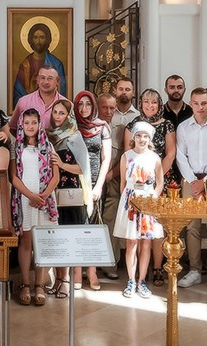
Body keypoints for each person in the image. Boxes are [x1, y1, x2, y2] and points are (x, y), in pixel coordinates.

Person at [126, 89, 178, 285]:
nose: (149, 105)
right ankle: (139, 274)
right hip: (137, 184)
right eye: (146, 102)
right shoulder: (133, 125)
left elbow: (170, 153)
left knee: (156, 229)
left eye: (154, 102)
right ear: (140, 103)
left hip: (160, 182)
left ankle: (157, 268)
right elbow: (127, 154)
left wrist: (157, 179)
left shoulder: (167, 124)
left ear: (160, 104)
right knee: (137, 229)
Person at [175, 88, 207, 288]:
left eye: (204, 103)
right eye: (196, 103)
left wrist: (206, 181)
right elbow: (180, 155)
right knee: (192, 227)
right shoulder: (184, 127)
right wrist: (193, 182)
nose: (200, 107)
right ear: (191, 103)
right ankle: (195, 270)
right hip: (190, 181)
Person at [10, 109, 59, 306]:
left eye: (34, 122)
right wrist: (30, 195)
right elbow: (13, 177)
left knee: (42, 241)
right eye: (27, 123)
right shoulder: (16, 147)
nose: (30, 126)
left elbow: (56, 176)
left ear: (40, 124)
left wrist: (44, 196)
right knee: (26, 241)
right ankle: (25, 283)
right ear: (21, 125)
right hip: (25, 197)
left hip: (45, 198)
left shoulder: (48, 146)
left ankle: (39, 284)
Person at [113, 122, 164, 299]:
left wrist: (153, 200)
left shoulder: (155, 158)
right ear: (133, 137)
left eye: (145, 136)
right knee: (132, 242)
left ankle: (142, 280)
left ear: (149, 139)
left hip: (148, 200)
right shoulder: (126, 156)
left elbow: (160, 182)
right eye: (139, 135)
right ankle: (131, 280)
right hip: (131, 201)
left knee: (146, 243)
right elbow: (122, 183)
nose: (142, 139)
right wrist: (126, 202)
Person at [47, 99, 92, 296]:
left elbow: (83, 168)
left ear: (68, 116)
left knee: (67, 237)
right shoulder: (49, 135)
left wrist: (62, 165)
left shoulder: (75, 137)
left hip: (71, 193)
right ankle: (58, 279)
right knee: (56, 238)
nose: (58, 116)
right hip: (53, 193)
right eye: (55, 112)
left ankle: (66, 280)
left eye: (62, 113)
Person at [99, 77, 139, 277]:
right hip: (101, 172)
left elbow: (129, 151)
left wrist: (113, 172)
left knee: (114, 218)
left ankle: (111, 263)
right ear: (116, 90)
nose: (124, 92)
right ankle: (96, 259)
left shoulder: (138, 117)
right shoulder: (107, 112)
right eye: (121, 88)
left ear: (133, 92)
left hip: (120, 174)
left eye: (128, 89)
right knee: (102, 216)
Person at [75, 91, 112, 290]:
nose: (83, 108)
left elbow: (106, 158)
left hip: (96, 182)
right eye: (80, 104)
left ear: (93, 106)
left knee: (93, 226)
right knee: (77, 224)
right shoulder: (71, 126)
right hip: (76, 181)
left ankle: (92, 270)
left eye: (87, 104)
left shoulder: (102, 127)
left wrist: (99, 186)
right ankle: (77, 270)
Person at [12, 22, 68, 105]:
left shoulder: (56, 63)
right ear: (31, 39)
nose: (38, 41)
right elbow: (18, 92)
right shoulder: (25, 65)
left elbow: (61, 91)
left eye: (42, 37)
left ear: (47, 39)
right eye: (35, 37)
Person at [10, 64, 67, 132]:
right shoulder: (23, 102)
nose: (46, 82)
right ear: (37, 80)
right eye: (42, 78)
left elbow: (71, 131)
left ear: (57, 81)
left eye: (50, 78)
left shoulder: (67, 105)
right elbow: (13, 128)